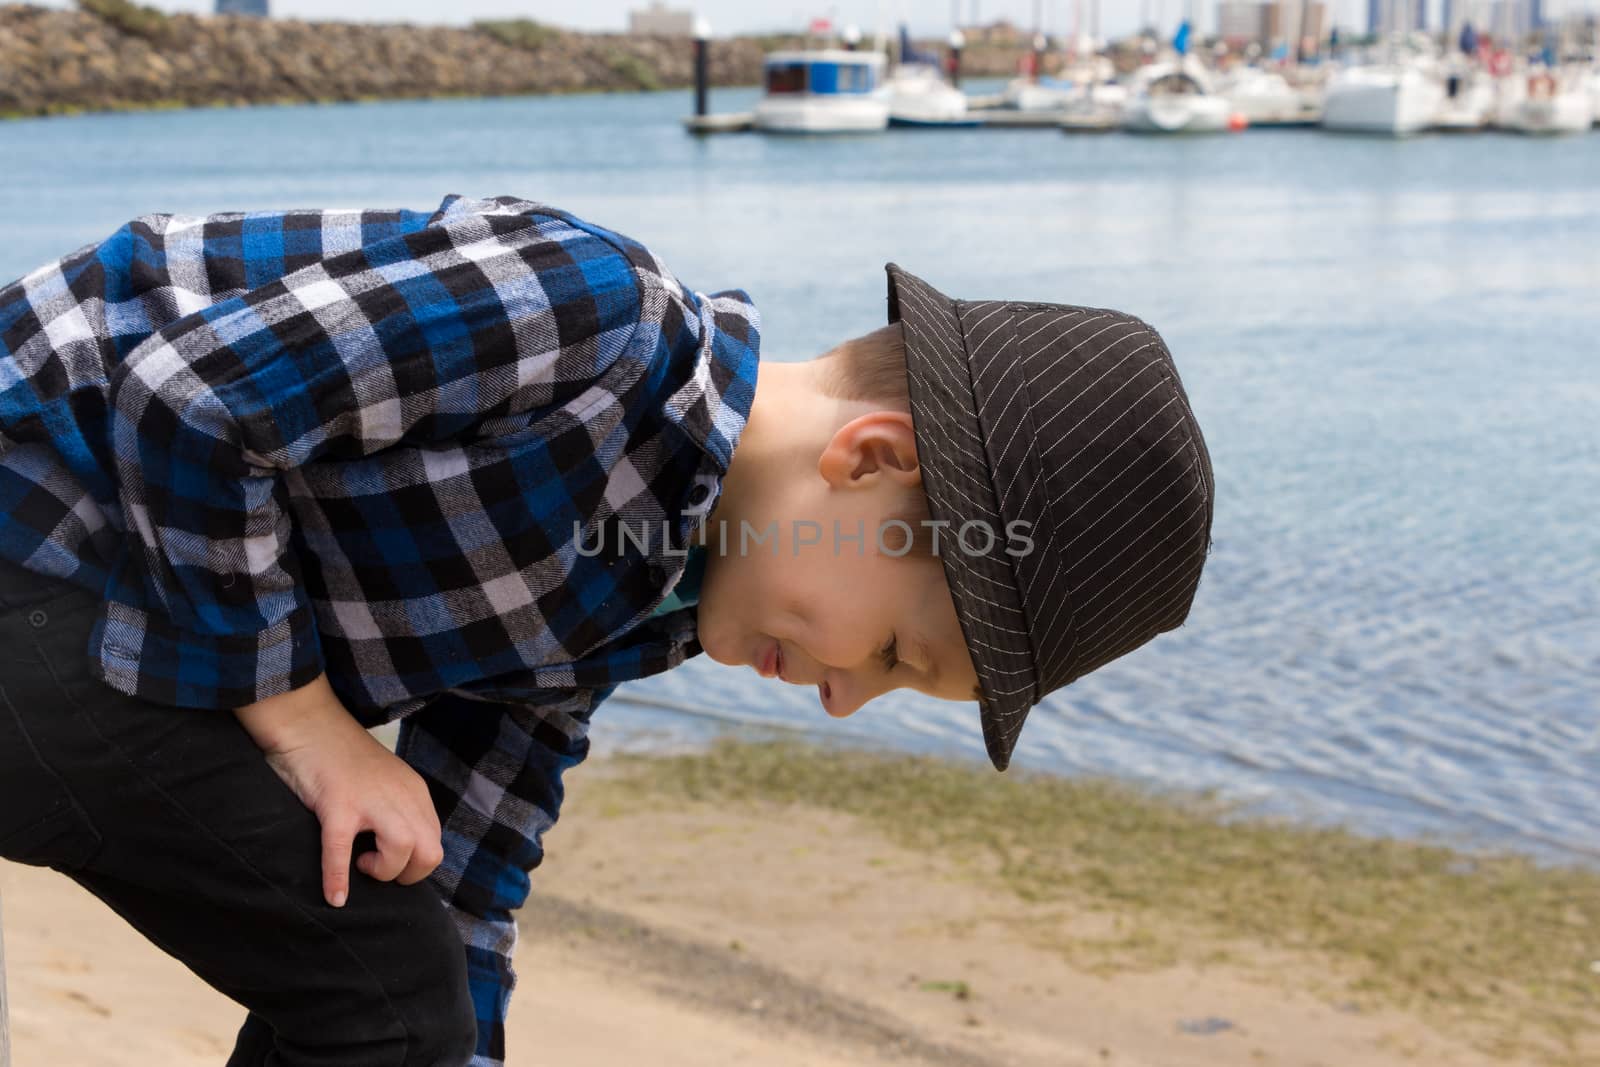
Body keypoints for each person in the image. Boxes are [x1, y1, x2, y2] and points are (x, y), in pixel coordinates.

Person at [0, 193, 1214, 1065]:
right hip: (35, 516)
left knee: (402, 977)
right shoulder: (591, 314)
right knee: (390, 992)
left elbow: (461, 879)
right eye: (896, 652)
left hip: (114, 628)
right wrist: (310, 721)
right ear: (871, 460)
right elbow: (190, 396)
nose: (845, 699)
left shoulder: (647, 603)